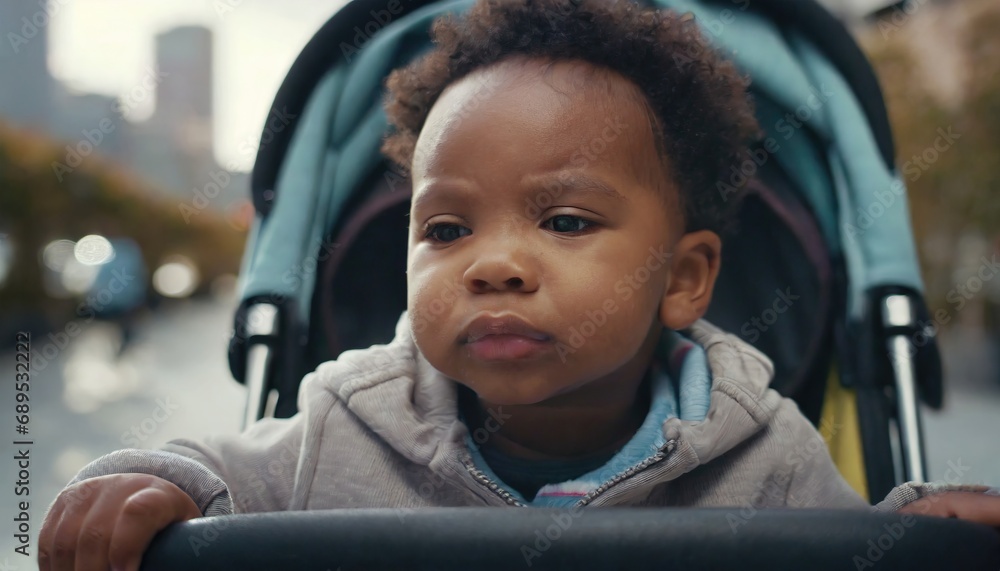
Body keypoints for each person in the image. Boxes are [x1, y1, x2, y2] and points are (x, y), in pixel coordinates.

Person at [38, 0, 1000, 569]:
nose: (491, 263)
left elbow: (851, 542)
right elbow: (212, 469)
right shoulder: (346, 420)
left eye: (566, 221)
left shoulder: (761, 449)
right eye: (446, 229)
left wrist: (914, 524)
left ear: (684, 278)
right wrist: (147, 483)